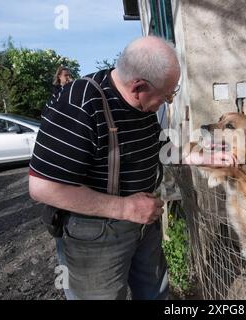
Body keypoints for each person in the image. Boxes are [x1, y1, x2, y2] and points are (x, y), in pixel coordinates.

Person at [29, 36, 182, 300]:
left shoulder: (141, 103)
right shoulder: (79, 103)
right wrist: (125, 208)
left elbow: (157, 147)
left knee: (156, 294)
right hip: (97, 236)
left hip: (143, 223)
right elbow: (43, 187)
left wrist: (201, 155)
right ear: (139, 86)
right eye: (167, 94)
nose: (169, 100)